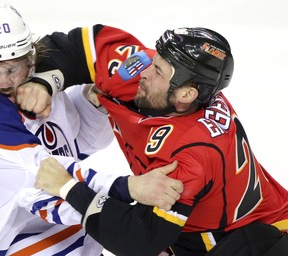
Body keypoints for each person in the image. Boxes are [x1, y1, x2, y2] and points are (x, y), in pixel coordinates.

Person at [19, 25, 288, 255]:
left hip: (254, 239)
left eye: (159, 70)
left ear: (186, 95)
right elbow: (74, 46)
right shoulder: (145, 75)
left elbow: (140, 239)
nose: (145, 70)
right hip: (197, 228)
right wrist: (45, 81)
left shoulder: (191, 155)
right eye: (155, 60)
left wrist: (68, 188)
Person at [0, 6, 183, 256]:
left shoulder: (41, 86)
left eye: (14, 69)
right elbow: (47, 176)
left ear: (30, 58)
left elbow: (77, 146)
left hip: (65, 234)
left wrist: (95, 103)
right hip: (9, 241)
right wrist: (130, 192)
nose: (7, 82)